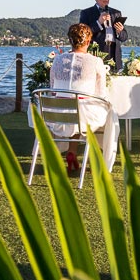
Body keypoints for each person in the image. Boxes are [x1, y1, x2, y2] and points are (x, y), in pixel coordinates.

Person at [48, 23, 119, 172]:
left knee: (73, 109)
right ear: (88, 42)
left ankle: (72, 151)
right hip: (83, 116)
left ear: (70, 41)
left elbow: (53, 89)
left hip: (56, 116)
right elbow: (101, 94)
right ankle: (99, 158)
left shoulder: (57, 60)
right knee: (110, 113)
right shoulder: (95, 61)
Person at [79, 0, 129, 70]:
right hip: (97, 54)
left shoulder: (116, 13)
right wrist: (98, 23)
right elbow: (82, 34)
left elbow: (124, 38)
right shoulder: (86, 13)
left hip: (114, 53)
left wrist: (119, 31)